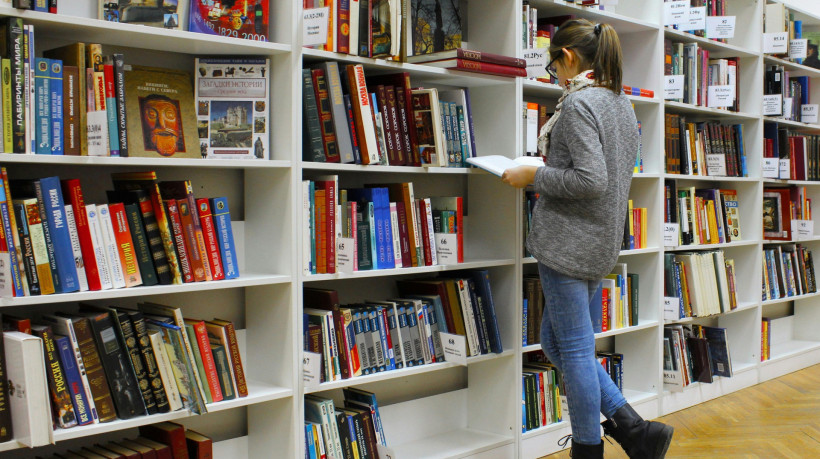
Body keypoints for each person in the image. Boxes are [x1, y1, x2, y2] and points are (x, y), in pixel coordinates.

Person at [501, 19, 674, 459]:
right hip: (599, 241)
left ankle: (588, 447)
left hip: (567, 243)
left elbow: (590, 179)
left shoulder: (579, 106)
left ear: (570, 58)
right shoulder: (618, 102)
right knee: (558, 344)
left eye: (551, 63)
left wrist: (532, 174)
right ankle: (634, 429)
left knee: (574, 351)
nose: (551, 73)